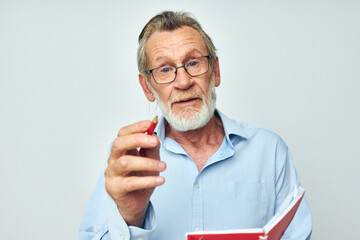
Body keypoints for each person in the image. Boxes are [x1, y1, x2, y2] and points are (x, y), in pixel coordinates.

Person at [79, 11, 312, 240]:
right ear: (148, 87)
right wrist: (132, 216)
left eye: (193, 62)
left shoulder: (269, 150)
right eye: (165, 70)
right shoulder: (129, 159)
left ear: (216, 71)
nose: (183, 81)